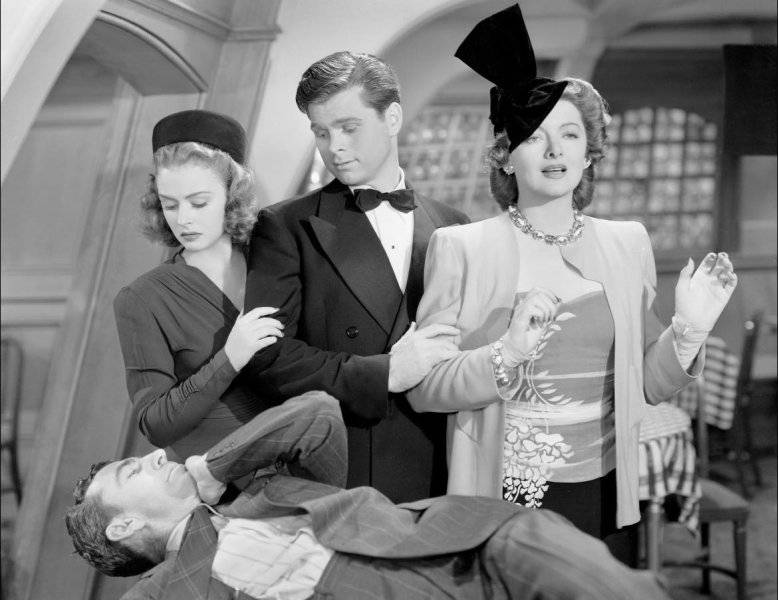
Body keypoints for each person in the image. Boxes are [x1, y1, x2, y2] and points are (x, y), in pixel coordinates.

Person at [407, 4, 738, 565]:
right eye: (534, 137)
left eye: (569, 134)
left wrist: (688, 331)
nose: (555, 150)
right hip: (507, 492)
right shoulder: (461, 247)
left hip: (607, 493)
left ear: (589, 154)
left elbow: (648, 384)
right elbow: (425, 388)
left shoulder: (627, 243)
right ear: (505, 157)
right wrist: (506, 354)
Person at [65, 393, 671, 600]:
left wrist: (212, 470)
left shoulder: (260, 489)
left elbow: (318, 413)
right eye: (131, 471)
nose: (154, 455)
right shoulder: (162, 590)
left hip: (463, 554)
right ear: (122, 527)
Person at [241, 51, 469, 503]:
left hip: (442, 467)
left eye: (349, 127)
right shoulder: (285, 225)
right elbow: (268, 357)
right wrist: (384, 373)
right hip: (344, 470)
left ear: (392, 117)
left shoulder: (455, 226)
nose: (335, 148)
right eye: (321, 132)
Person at [113, 110, 285, 460]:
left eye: (199, 202)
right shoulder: (143, 299)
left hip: (312, 452)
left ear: (232, 195)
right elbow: (155, 424)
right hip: (224, 477)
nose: (184, 219)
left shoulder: (278, 260)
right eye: (170, 205)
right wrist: (229, 358)